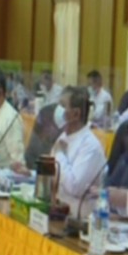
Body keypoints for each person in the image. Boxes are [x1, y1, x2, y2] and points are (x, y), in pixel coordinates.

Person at [51, 86, 107, 218]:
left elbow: (74, 187)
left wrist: (60, 155)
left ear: (76, 114)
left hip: (78, 218)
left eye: (63, 105)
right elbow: (52, 175)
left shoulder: (90, 146)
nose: (57, 109)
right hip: (56, 210)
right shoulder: (63, 136)